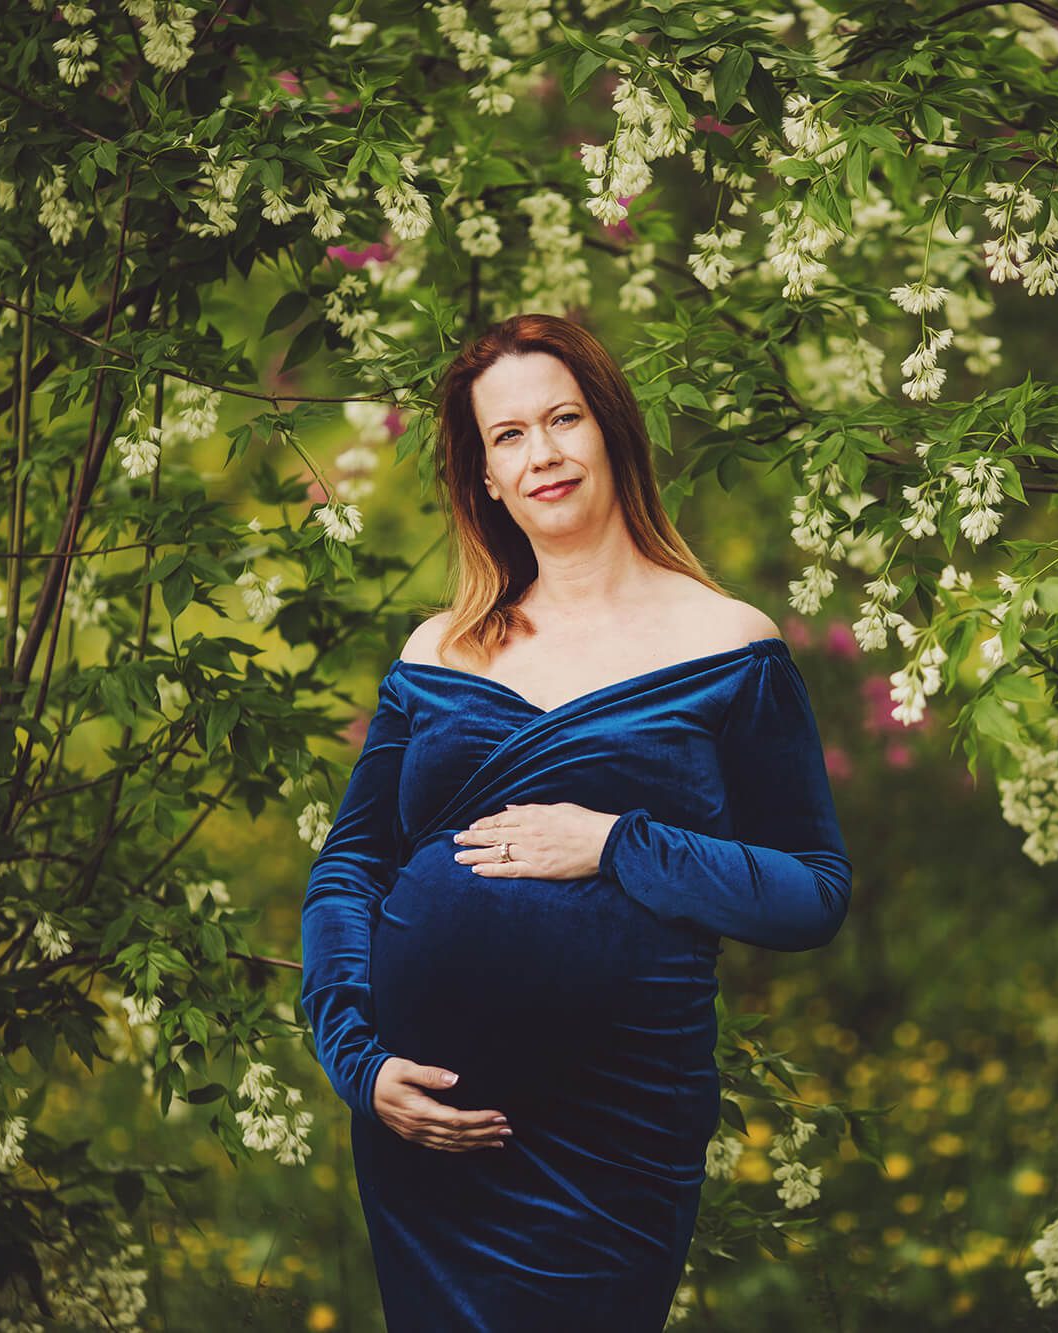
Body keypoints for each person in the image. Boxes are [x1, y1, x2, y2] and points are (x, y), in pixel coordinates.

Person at [298, 313, 854, 1331]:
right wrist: (359, 1063)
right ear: (481, 478)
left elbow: (813, 890)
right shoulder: (439, 649)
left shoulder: (727, 643)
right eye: (507, 436)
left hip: (616, 1122)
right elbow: (347, 872)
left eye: (564, 418)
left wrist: (615, 842)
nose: (543, 452)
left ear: (612, 434)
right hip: (426, 1131)